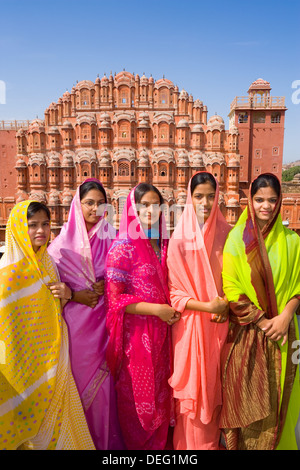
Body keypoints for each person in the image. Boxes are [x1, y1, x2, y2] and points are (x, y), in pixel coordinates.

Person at [0, 200, 95, 450]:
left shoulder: (48, 264)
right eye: (32, 225)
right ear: (19, 228)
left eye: (45, 224)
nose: (40, 230)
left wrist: (66, 293)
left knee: (56, 423)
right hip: (17, 363)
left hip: (51, 356)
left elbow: (51, 308)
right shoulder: (8, 273)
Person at [220, 173, 300, 450]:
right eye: (259, 200)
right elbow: (231, 288)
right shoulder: (236, 240)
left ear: (279, 203)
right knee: (247, 401)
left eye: (272, 200)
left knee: (281, 403)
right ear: (250, 202)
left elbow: (297, 286)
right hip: (249, 334)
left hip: (284, 333)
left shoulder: (292, 241)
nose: (266, 206)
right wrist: (264, 321)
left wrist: (286, 316)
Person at [48, 179, 124, 450]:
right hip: (77, 332)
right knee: (80, 390)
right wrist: (73, 293)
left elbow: (128, 277)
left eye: (100, 203)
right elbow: (46, 290)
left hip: (107, 327)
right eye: (89, 203)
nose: (95, 208)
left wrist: (110, 284)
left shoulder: (115, 238)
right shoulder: (59, 247)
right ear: (77, 206)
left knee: (107, 392)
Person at [105, 183, 179, 450]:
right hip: (136, 341)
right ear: (131, 209)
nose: (150, 210)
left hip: (164, 337)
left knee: (162, 399)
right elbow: (115, 300)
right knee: (138, 404)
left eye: (155, 205)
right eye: (143, 205)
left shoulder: (163, 242)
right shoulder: (122, 246)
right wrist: (156, 310)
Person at [167, 171, 231, 450]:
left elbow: (238, 279)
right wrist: (208, 305)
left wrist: (226, 303)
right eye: (198, 196)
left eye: (210, 196)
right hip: (190, 328)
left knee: (217, 393)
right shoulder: (179, 239)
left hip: (221, 326)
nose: (205, 202)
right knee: (191, 402)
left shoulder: (229, 235)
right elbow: (174, 293)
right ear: (189, 198)